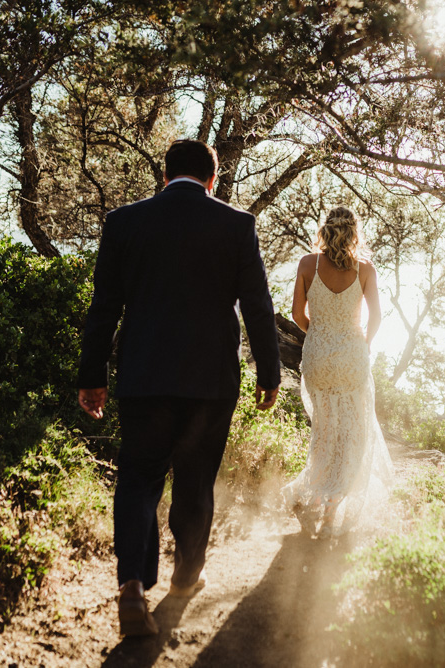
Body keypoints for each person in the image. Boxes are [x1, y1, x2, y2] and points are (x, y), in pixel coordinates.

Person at [76, 139, 281, 637]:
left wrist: (92, 375)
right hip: (210, 382)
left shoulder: (124, 222)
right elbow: (257, 304)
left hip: (144, 376)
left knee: (138, 479)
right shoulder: (236, 224)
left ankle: (131, 585)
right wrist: (269, 373)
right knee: (194, 481)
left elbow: (104, 305)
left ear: (165, 176)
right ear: (212, 179)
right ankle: (186, 575)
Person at [284, 206, 393, 538]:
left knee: (324, 432)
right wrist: (363, 343)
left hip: (317, 356)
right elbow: (375, 318)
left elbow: (297, 314)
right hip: (351, 357)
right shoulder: (365, 270)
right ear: (354, 232)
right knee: (353, 436)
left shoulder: (306, 264)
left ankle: (311, 496)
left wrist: (319, 335)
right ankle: (331, 509)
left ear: (326, 229)